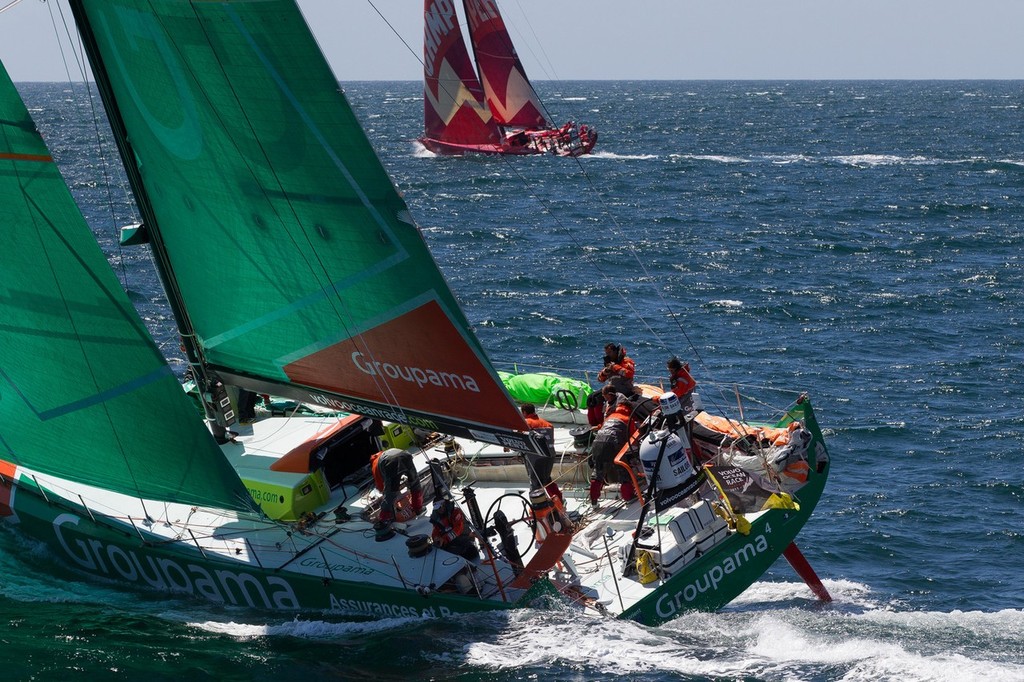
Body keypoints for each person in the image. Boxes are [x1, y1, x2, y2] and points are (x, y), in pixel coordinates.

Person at [588, 384, 637, 506]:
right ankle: (628, 497)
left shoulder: (611, 416)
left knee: (597, 473)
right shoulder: (628, 417)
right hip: (614, 444)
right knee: (623, 470)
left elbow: (604, 426)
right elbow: (632, 437)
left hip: (598, 442)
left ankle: (594, 501)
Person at [370, 448, 425, 527]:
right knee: (415, 484)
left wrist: (390, 490)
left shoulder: (375, 464)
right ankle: (418, 508)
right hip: (405, 455)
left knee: (390, 494)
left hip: (390, 462)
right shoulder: (385, 453)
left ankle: (384, 519)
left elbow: (382, 487)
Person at [520, 404, 563, 503]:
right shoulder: (548, 424)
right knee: (547, 479)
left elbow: (519, 438)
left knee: (535, 483)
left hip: (536, 459)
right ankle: (559, 500)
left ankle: (539, 507)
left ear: (524, 412)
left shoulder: (526, 423)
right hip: (550, 456)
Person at [430, 497, 479, 561]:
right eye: (436, 509)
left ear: (444, 505)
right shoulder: (436, 517)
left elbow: (459, 529)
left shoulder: (455, 511)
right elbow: (435, 531)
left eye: (439, 507)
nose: (439, 510)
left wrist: (444, 539)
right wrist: (436, 538)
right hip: (450, 540)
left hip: (463, 536)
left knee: (472, 553)